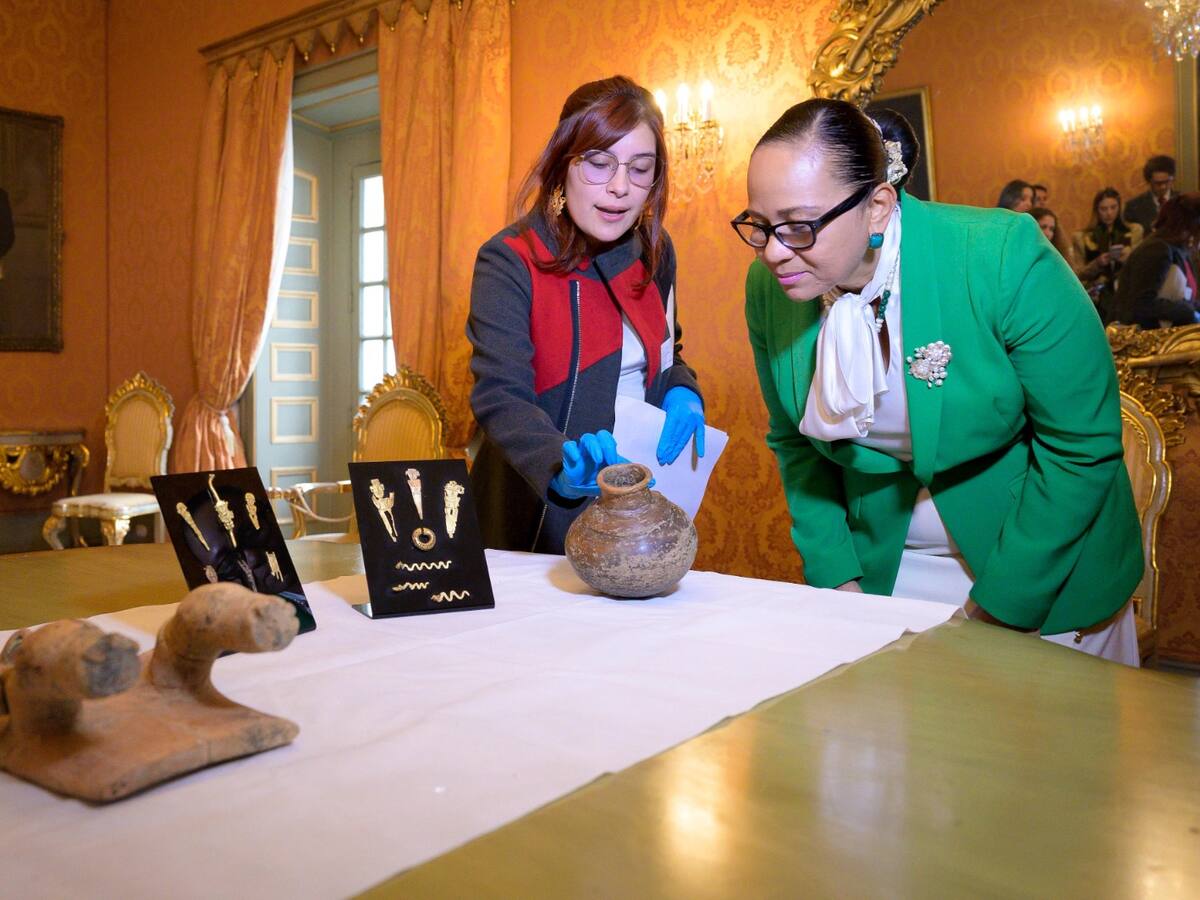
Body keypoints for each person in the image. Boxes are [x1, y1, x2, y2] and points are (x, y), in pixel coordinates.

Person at [735, 98, 1142, 665]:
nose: (775, 252)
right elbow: (794, 444)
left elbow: (1081, 446)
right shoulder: (771, 291)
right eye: (759, 224)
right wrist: (837, 579)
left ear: (877, 207)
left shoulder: (1001, 257)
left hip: (1038, 562)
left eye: (800, 226)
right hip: (886, 572)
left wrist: (996, 608)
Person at [467, 76, 705, 553]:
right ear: (562, 165)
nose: (620, 188)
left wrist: (682, 387)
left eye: (640, 169)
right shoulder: (509, 259)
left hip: (636, 512)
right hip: (534, 518)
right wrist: (562, 469)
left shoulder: (656, 252)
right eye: (598, 164)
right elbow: (501, 396)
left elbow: (664, 350)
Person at [1111, 193, 1200, 329]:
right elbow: (1141, 304)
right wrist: (1188, 311)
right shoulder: (1157, 249)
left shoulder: (1180, 250)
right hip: (1146, 341)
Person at [1071, 187, 1143, 320]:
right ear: (1096, 210)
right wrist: (1097, 263)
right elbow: (1077, 273)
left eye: (1113, 207)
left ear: (1119, 208)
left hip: (1126, 292)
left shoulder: (1134, 231)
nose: (1109, 213)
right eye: (1103, 209)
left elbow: (1141, 267)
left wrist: (1127, 258)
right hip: (1096, 296)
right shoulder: (1082, 237)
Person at [1124, 155, 1176, 235]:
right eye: (1158, 183)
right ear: (1149, 181)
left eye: (1167, 181)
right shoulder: (1133, 206)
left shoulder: (1183, 202)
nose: (1163, 187)